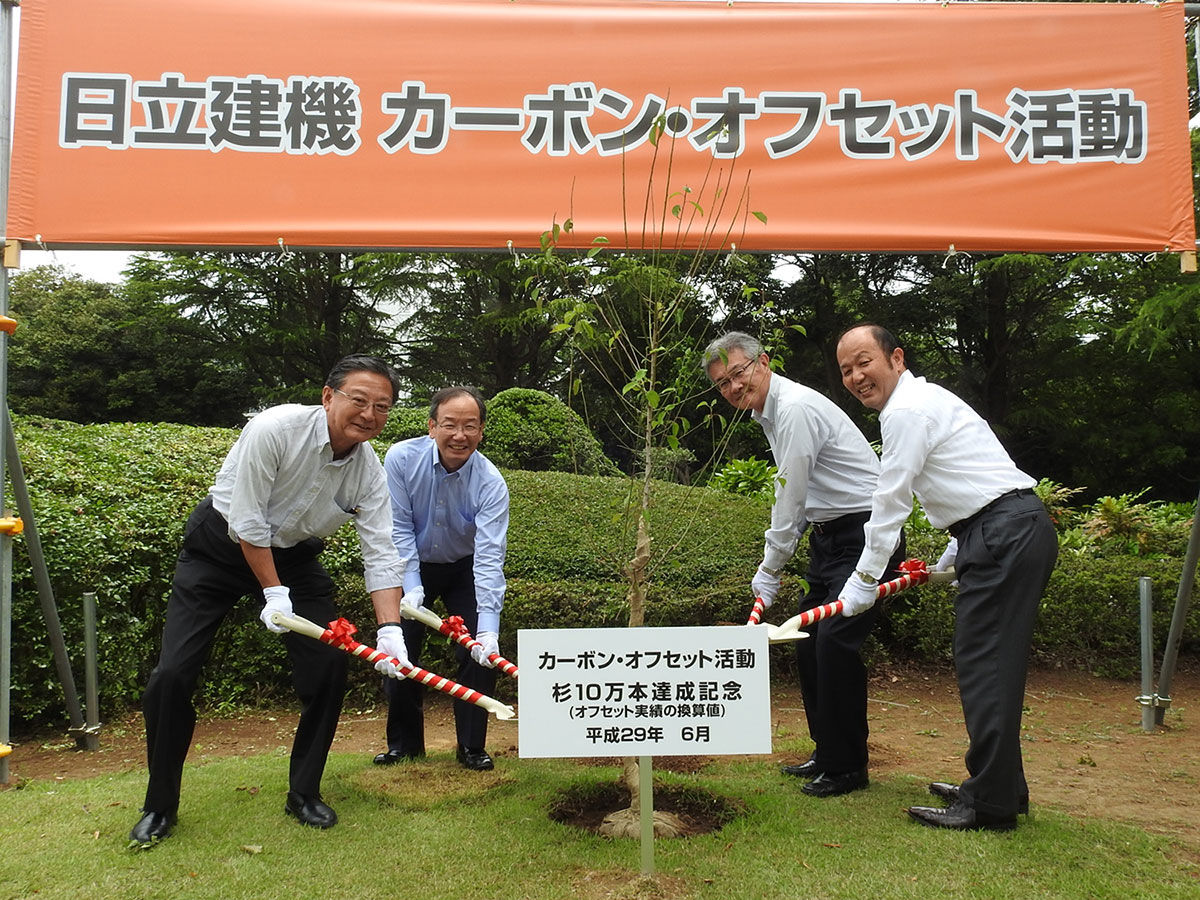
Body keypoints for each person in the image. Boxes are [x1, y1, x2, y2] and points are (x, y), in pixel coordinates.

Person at [129, 355, 412, 845]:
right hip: (219, 547)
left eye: (382, 407)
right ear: (328, 396)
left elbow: (382, 554)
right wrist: (272, 592)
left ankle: (304, 793)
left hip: (296, 560)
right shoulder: (274, 428)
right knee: (171, 676)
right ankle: (159, 806)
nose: (369, 413)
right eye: (359, 400)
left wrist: (390, 630)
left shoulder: (369, 473)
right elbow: (248, 519)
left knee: (329, 667)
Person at [834, 324, 1057, 832]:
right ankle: (1000, 787)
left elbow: (891, 501)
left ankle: (990, 804)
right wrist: (958, 547)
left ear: (896, 358)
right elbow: (975, 477)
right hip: (1000, 529)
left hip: (1003, 533)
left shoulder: (908, 411)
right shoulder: (922, 401)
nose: (855, 376)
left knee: (986, 668)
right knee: (990, 666)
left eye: (864, 361)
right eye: (846, 369)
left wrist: (864, 578)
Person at [703, 332, 905, 798]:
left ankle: (848, 766)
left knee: (834, 644)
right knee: (809, 642)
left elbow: (790, 497)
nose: (733, 387)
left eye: (738, 373)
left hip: (865, 534)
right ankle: (828, 751)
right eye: (722, 383)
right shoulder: (767, 411)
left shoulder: (792, 408)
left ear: (763, 362)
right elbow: (802, 498)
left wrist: (770, 569)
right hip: (831, 538)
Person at [375, 386, 510, 771]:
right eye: (449, 424)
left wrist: (488, 629)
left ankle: (471, 746)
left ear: (482, 431)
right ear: (432, 426)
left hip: (464, 569)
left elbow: (489, 556)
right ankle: (405, 745)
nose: (459, 435)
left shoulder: (490, 483)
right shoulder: (401, 459)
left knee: (476, 654)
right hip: (409, 563)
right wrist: (412, 583)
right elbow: (397, 528)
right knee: (400, 646)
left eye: (470, 426)